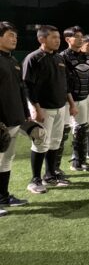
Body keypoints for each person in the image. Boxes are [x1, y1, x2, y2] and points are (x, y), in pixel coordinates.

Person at [22, 25, 72, 192]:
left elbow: (64, 84)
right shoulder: (33, 58)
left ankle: (50, 174)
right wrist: (35, 108)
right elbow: (27, 86)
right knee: (41, 142)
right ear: (41, 39)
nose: (58, 41)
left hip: (59, 107)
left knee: (55, 141)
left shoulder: (59, 58)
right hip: (43, 107)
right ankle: (35, 180)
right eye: (53, 37)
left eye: (58, 37)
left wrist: (70, 104)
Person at [0, 21, 30, 214]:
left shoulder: (13, 61)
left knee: (7, 159)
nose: (15, 39)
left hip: (13, 118)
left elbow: (21, 90)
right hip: (1, 120)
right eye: (10, 35)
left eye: (16, 36)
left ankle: (3, 196)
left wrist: (25, 115)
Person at [61, 26, 89, 172]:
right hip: (67, 100)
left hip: (84, 97)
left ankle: (80, 161)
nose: (81, 39)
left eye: (82, 36)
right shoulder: (62, 57)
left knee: (82, 129)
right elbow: (63, 82)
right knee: (63, 133)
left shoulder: (88, 57)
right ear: (68, 39)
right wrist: (70, 102)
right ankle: (54, 170)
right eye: (77, 37)